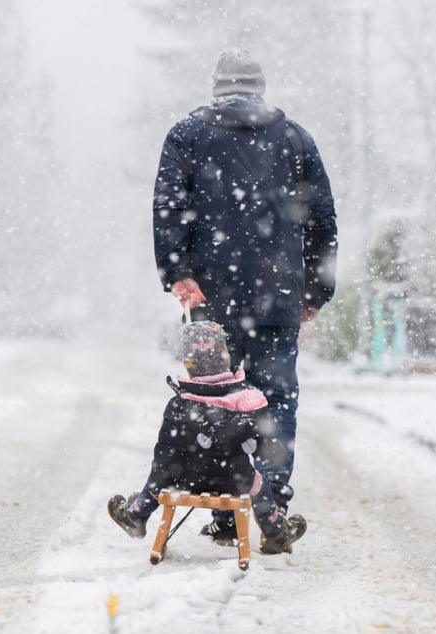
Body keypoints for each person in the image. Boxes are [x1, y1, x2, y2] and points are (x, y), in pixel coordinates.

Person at [152, 48, 338, 542]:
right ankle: (270, 504)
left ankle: (224, 510)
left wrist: (178, 273)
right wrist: (316, 289)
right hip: (278, 297)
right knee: (274, 401)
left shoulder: (187, 135)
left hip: (212, 296)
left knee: (216, 401)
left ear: (217, 87)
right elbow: (322, 219)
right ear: (260, 88)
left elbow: (169, 207)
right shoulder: (295, 138)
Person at [107, 321, 307, 555]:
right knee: (259, 483)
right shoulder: (247, 401)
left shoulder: (179, 405)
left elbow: (164, 457)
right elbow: (268, 451)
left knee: (163, 471)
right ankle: (275, 531)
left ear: (188, 365)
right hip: (236, 480)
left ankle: (136, 514)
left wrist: (155, 488)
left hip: (185, 480)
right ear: (226, 358)